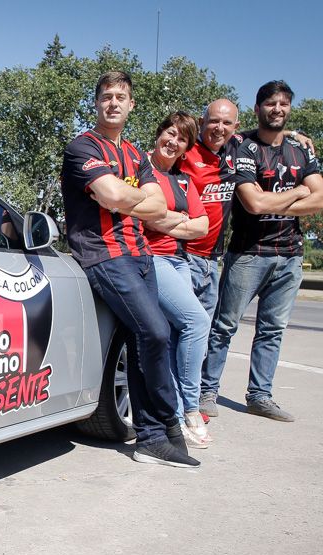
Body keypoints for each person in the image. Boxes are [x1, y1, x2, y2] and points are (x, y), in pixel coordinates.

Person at [60, 71, 198, 468]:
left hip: (140, 254)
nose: (114, 102)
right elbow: (112, 194)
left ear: (131, 104)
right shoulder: (82, 146)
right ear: (97, 102)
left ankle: (153, 435)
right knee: (155, 332)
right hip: (103, 254)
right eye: (106, 96)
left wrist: (125, 199)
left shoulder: (137, 155)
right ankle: (166, 424)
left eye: (121, 96)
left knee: (145, 340)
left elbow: (158, 207)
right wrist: (125, 198)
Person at [199, 81, 323, 422]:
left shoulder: (301, 151)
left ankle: (260, 396)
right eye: (271, 103)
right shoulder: (241, 146)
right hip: (249, 252)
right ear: (257, 109)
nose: (278, 109)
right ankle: (206, 390)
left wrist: (283, 199)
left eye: (284, 103)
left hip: (291, 255)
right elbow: (253, 203)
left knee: (273, 329)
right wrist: (299, 193)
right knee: (224, 326)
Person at [179, 99, 313, 320]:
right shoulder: (186, 149)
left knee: (203, 331)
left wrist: (292, 133)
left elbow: (265, 134)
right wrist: (298, 192)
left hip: (211, 260)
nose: (219, 128)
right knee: (185, 327)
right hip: (183, 255)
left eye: (227, 123)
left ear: (236, 127)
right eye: (213, 121)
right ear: (201, 122)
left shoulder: (235, 147)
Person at [141, 112, 213, 449]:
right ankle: (191, 410)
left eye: (181, 139)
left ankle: (176, 411)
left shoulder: (184, 182)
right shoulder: (140, 169)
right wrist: (176, 220)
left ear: (186, 148)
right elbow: (142, 215)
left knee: (175, 335)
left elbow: (202, 227)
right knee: (197, 321)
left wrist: (165, 221)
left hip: (179, 260)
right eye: (170, 133)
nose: (173, 142)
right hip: (150, 258)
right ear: (159, 134)